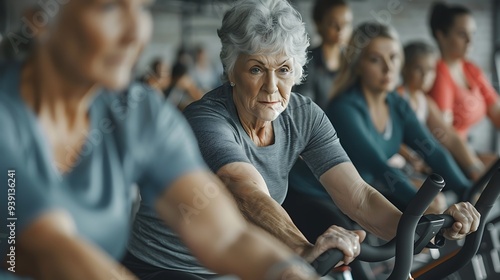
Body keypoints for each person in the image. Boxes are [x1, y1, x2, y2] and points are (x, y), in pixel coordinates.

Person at [125, 1, 481, 279]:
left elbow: (358, 197)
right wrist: (302, 247)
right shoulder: (207, 119)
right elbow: (246, 192)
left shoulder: (303, 115)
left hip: (237, 265)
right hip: (168, 267)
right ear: (231, 72)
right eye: (255, 69)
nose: (271, 87)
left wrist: (423, 229)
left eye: (283, 70)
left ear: (296, 73)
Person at [0, 1, 323, 280]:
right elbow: (51, 249)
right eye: (109, 6)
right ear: (40, 20)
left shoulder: (139, 112)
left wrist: (285, 270)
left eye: (141, 7)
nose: (135, 32)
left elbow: (227, 236)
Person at [399, 41, 486, 181]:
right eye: (418, 69)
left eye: (430, 70)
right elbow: (394, 139)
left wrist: (474, 167)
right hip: (400, 166)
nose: (425, 75)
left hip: (419, 163)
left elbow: (449, 135)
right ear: (404, 69)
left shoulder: (425, 101)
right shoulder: (398, 96)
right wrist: (411, 156)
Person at [428, 2, 500, 160]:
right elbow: (445, 137)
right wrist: (474, 166)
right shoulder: (439, 73)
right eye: (462, 34)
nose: (470, 41)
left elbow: (496, 111)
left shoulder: (470, 69)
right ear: (441, 35)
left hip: (467, 150)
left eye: (472, 33)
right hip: (450, 157)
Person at [293, 0, 352, 109]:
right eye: (333, 24)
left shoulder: (352, 61)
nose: (340, 29)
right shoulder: (307, 61)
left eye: (345, 24)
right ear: (319, 24)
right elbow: (304, 106)